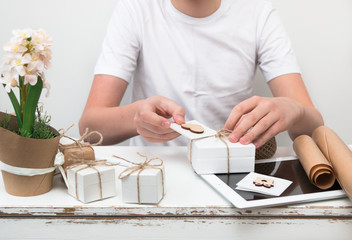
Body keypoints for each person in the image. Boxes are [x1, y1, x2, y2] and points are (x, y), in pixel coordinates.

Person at [79, 0, 323, 148]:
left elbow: (314, 127)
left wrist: (295, 110)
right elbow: (89, 127)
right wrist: (137, 115)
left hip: (231, 173)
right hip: (157, 169)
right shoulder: (136, 8)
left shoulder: (256, 10)